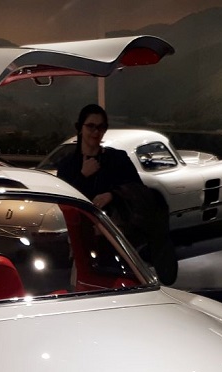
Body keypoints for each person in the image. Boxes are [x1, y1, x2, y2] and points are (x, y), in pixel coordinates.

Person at [56, 104, 177, 285]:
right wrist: (83, 175)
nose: (96, 132)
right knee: (86, 285)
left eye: (101, 127)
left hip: (119, 241)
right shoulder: (68, 165)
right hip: (83, 242)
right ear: (80, 128)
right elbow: (65, 202)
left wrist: (112, 195)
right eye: (91, 126)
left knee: (123, 285)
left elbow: (139, 191)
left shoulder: (117, 159)